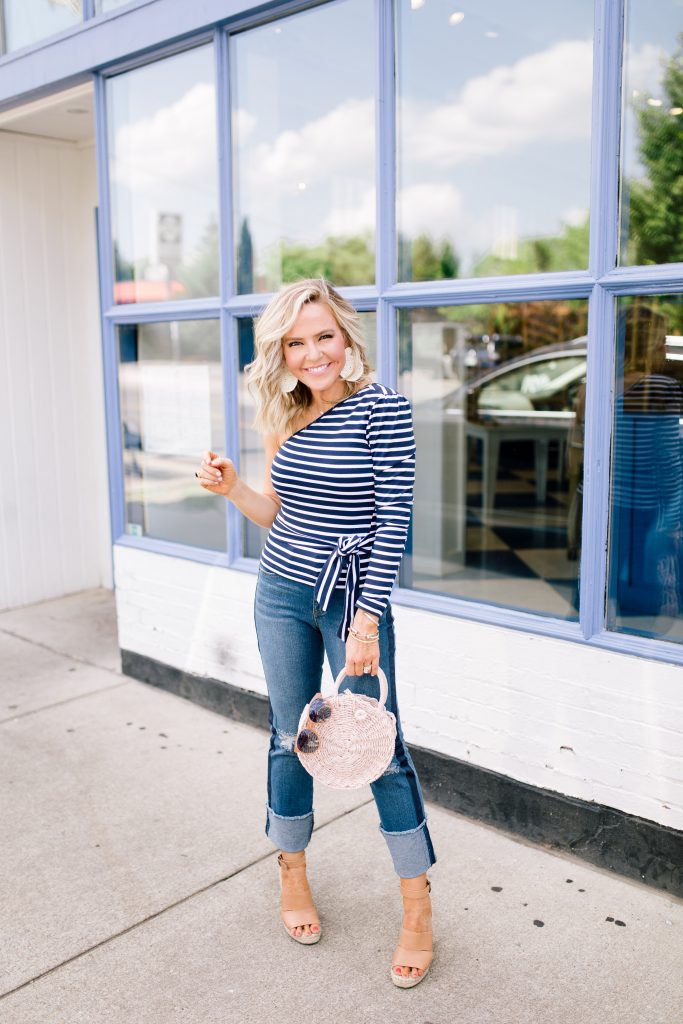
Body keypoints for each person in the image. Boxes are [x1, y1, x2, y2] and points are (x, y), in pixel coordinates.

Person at [195, 278, 436, 988]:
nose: (311, 354)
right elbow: (278, 513)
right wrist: (233, 488)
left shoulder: (382, 408)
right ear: (282, 351)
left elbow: (393, 521)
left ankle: (416, 906)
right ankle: (292, 873)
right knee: (285, 738)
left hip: (350, 604)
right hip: (279, 593)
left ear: (346, 336)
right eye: (295, 343)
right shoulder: (287, 410)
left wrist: (366, 619)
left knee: (377, 748)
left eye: (322, 336)